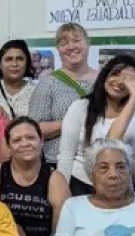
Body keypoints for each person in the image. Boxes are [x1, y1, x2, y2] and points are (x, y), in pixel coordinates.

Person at [58, 55, 135, 196]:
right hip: (82, 184)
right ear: (105, 75)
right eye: (115, 74)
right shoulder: (80, 107)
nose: (119, 81)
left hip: (125, 184)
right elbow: (66, 156)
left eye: (128, 78)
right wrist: (63, 194)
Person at [28, 22, 97, 166]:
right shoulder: (48, 83)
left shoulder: (104, 81)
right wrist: (75, 122)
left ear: (88, 43)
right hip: (59, 163)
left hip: (99, 163)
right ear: (58, 49)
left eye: (77, 40)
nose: (71, 47)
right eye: (64, 43)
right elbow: (34, 129)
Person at [0, 39, 38, 119]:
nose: (14, 64)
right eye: (9, 59)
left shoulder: (37, 91)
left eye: (20, 59)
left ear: (27, 63)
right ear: (0, 64)